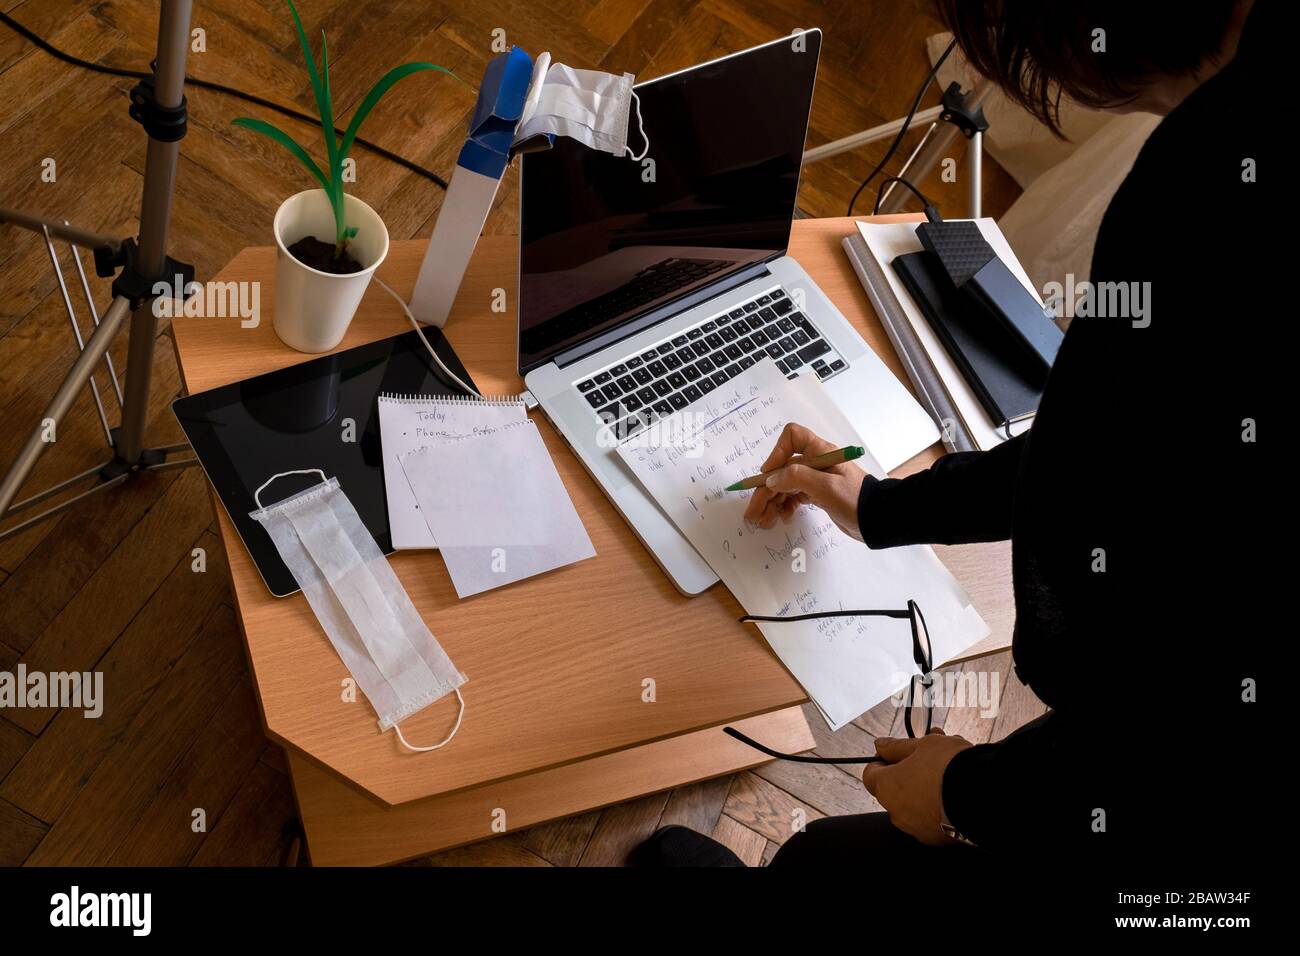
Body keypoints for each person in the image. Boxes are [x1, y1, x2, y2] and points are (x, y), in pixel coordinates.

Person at [633, 0, 1272, 869]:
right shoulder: (1217, 141)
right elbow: (1103, 454)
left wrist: (962, 800)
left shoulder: (1210, 204)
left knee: (825, 861)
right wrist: (883, 506)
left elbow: (1186, 727)